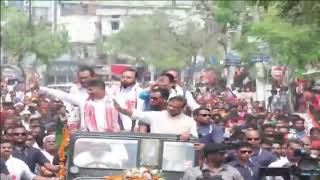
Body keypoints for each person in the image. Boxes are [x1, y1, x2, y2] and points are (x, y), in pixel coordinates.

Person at [41, 79, 120, 132]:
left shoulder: (115, 101)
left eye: (91, 89)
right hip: (88, 138)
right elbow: (64, 96)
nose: (88, 92)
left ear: (100, 89)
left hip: (111, 138)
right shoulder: (84, 100)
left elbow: (127, 117)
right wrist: (44, 89)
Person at [114, 96, 198, 141]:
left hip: (176, 157)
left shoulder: (189, 121)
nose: (171, 108)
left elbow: (195, 137)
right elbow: (136, 114)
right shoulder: (157, 115)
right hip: (156, 154)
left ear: (182, 108)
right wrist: (121, 109)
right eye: (170, 105)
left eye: (175, 107)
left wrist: (188, 136)